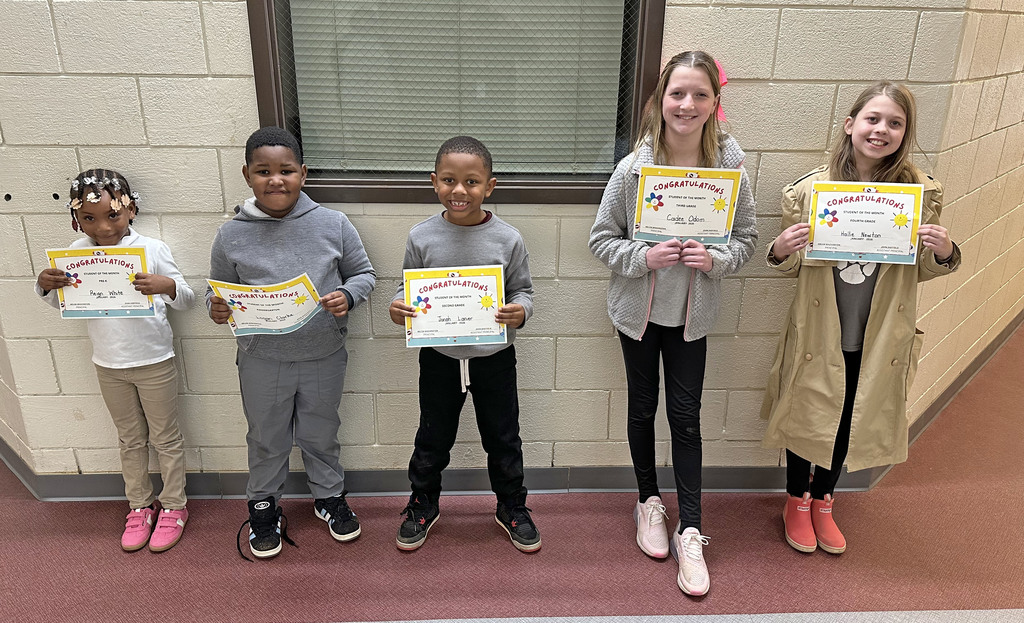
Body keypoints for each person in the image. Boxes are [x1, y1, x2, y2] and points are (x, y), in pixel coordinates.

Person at [761, 81, 960, 556]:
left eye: (895, 123)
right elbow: (787, 263)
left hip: (877, 334)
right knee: (808, 415)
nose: (881, 130)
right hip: (822, 330)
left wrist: (944, 251)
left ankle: (825, 501)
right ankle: (796, 501)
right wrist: (780, 250)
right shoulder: (810, 191)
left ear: (905, 134)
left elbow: (924, 271)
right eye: (872, 119)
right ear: (850, 124)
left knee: (850, 416)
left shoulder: (919, 193)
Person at [588, 51, 757, 596]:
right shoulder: (635, 168)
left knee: (685, 419)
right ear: (660, 100)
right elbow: (600, 239)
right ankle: (648, 503)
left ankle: (692, 529)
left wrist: (718, 260)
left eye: (700, 95)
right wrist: (642, 257)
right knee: (642, 409)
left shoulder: (730, 165)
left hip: (691, 319)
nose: (687, 105)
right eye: (677, 93)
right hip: (638, 315)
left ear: (714, 103)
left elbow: (747, 239)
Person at [207, 126, 376, 560]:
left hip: (323, 353)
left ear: (302, 173)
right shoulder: (230, 235)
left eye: (286, 170)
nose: (275, 180)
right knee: (266, 436)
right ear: (247, 175)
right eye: (263, 171)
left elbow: (364, 275)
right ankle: (263, 505)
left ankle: (329, 498)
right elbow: (219, 290)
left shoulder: (333, 224)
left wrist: (348, 296)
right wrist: (217, 306)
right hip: (262, 358)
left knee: (321, 432)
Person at [388, 136, 539, 553]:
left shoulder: (508, 239)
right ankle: (423, 503)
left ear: (490, 186)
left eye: (472, 182)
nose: (460, 190)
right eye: (450, 180)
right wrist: (398, 308)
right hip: (439, 358)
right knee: (432, 438)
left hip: (495, 358)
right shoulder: (421, 237)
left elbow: (525, 292)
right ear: (434, 182)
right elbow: (407, 290)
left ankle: (512, 505)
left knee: (504, 438)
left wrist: (520, 312)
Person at [35, 169, 195, 552]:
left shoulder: (153, 249)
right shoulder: (74, 253)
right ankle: (140, 505)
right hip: (108, 364)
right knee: (129, 439)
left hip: (155, 360)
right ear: (76, 218)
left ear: (131, 210)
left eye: (112, 215)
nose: (103, 227)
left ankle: (174, 505)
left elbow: (188, 298)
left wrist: (168, 286)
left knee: (166, 437)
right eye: (89, 218)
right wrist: (45, 285)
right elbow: (63, 302)